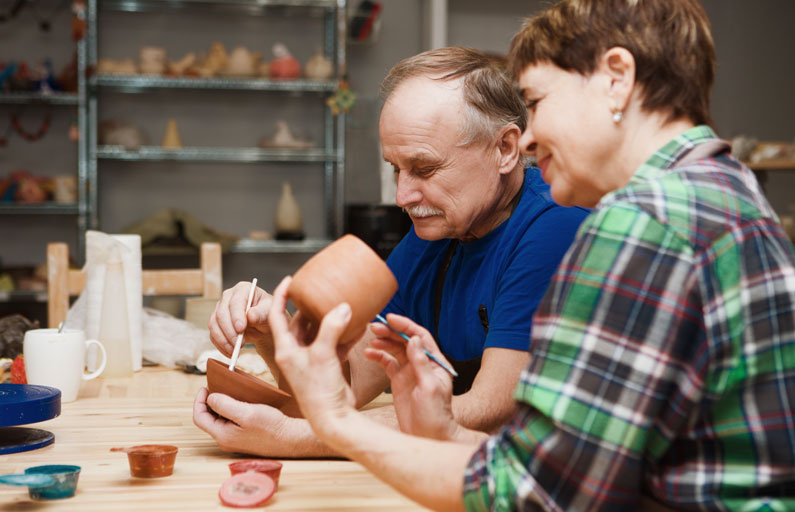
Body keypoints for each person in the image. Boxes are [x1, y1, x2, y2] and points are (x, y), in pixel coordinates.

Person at [265, 0, 795, 510]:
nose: (532, 135)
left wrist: (336, 423)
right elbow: (576, 469)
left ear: (617, 77)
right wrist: (446, 431)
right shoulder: (725, 187)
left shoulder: (643, 222)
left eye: (538, 102)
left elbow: (534, 496)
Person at [193, 47, 588, 457]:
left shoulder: (555, 226)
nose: (402, 196)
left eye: (425, 168)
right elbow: (346, 388)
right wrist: (273, 335)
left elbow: (487, 410)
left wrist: (296, 439)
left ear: (505, 149)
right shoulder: (436, 233)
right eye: (396, 169)